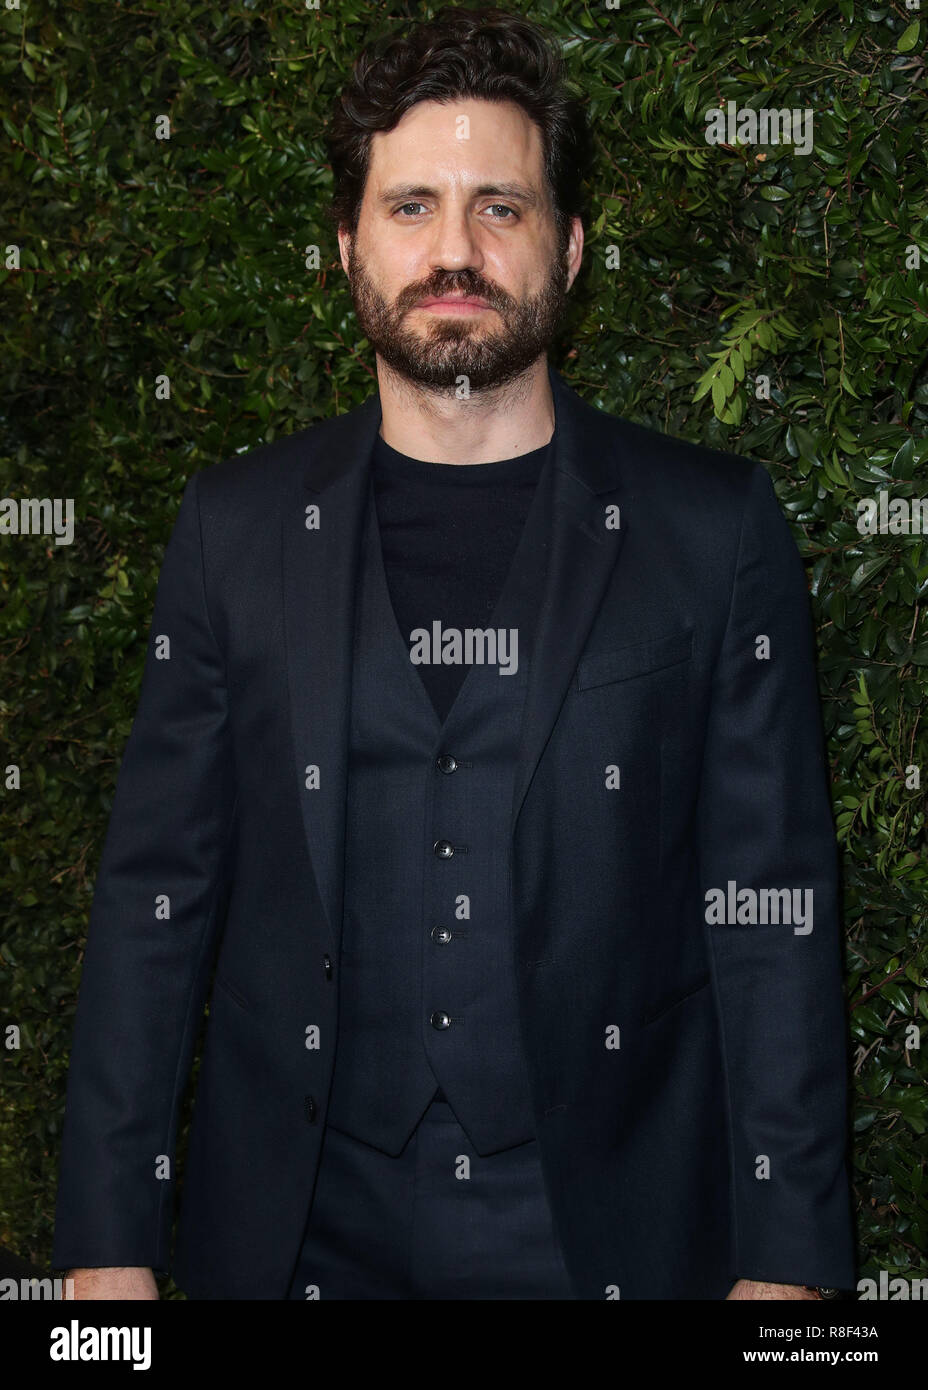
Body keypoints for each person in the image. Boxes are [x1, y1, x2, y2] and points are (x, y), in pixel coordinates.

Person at [52, 6, 855, 1300]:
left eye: (500, 207)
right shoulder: (234, 527)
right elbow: (155, 902)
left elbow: (771, 916)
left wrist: (791, 1269)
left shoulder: (711, 528)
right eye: (413, 205)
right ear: (348, 248)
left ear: (571, 247)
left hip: (607, 1230)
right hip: (294, 1228)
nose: (454, 251)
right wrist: (103, 1251)